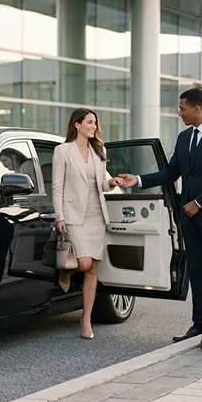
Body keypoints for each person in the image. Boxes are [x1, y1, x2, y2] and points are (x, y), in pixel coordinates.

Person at [116, 88, 202, 342]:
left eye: (183, 108)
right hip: (190, 219)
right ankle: (199, 325)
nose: (179, 113)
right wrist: (137, 179)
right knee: (197, 273)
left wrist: (198, 203)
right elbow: (171, 172)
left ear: (197, 108)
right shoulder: (184, 138)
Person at [51, 108, 124, 340]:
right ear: (77, 124)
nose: (94, 127)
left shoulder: (99, 149)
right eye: (90, 122)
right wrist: (59, 216)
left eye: (95, 123)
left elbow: (101, 183)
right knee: (83, 263)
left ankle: (86, 320)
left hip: (96, 215)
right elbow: (57, 187)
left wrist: (111, 182)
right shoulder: (62, 151)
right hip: (73, 214)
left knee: (93, 268)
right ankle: (65, 270)